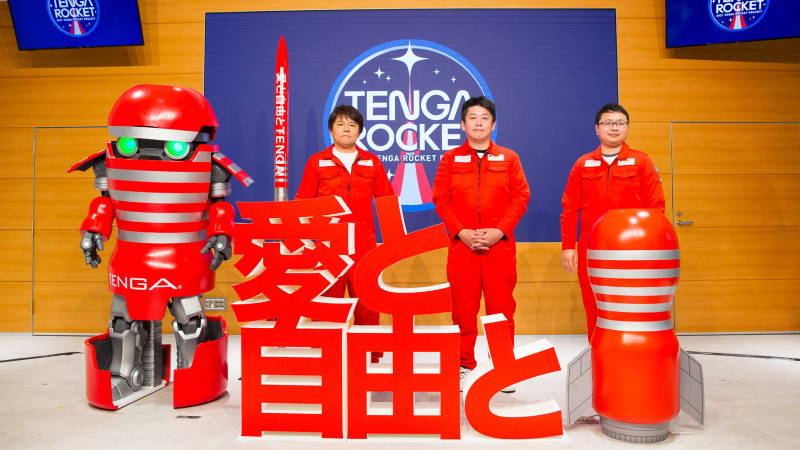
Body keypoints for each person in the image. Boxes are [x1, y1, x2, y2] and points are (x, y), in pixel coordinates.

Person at [432, 96, 530, 391]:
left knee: (501, 309)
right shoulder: (450, 159)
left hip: (498, 247)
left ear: (493, 124)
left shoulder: (509, 158)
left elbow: (520, 197)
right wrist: (461, 231)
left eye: (484, 118)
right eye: (472, 118)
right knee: (462, 309)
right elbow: (441, 198)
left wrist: (499, 231)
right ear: (463, 125)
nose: (478, 122)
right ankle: (463, 364)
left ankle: (504, 368)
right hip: (463, 247)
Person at [296, 105, 394, 362]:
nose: (346, 129)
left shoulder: (372, 161)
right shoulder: (317, 161)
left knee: (368, 301)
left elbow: (387, 202)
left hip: (364, 243)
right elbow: (303, 202)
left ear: (360, 130)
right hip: (329, 244)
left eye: (352, 124)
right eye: (340, 124)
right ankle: (326, 353)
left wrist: (394, 246)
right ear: (331, 130)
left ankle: (369, 355)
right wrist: (305, 244)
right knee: (328, 300)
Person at [560, 103, 666, 342]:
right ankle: (598, 353)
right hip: (591, 245)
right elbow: (569, 207)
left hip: (634, 248)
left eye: (620, 123)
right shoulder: (583, 164)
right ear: (597, 129)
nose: (614, 128)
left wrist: (651, 246)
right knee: (594, 302)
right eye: (608, 123)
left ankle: (630, 354)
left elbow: (657, 207)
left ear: (627, 128)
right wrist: (568, 246)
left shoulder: (642, 162)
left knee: (632, 302)